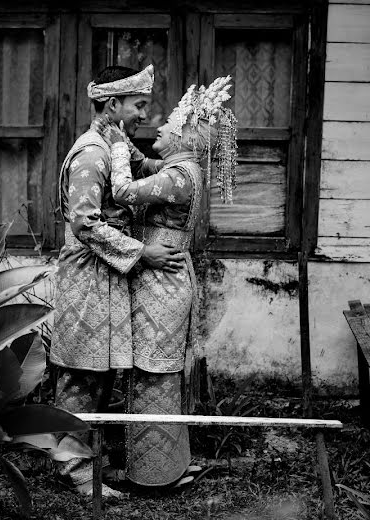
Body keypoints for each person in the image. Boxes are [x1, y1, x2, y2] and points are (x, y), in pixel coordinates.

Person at [49, 64, 184, 495]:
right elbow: (83, 224)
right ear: (113, 104)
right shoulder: (92, 152)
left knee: (102, 371)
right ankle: (74, 474)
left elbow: (146, 171)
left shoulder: (117, 143)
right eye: (139, 105)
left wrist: (188, 160)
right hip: (88, 276)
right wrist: (142, 252)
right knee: (81, 374)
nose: (146, 113)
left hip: (108, 273)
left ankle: (90, 466)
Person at [106, 76, 238, 487]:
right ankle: (161, 466)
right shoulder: (180, 168)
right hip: (160, 282)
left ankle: (153, 474)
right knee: (153, 375)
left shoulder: (180, 176)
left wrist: (111, 145)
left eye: (168, 126)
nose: (158, 127)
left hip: (162, 286)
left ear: (182, 139)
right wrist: (120, 137)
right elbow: (144, 165)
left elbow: (126, 189)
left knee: (153, 377)